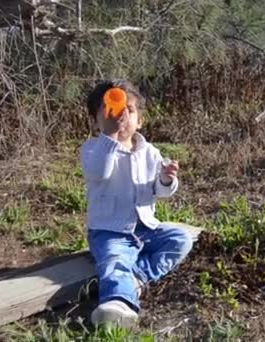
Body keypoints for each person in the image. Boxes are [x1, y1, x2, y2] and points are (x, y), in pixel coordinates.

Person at [80, 80, 194, 327]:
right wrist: (110, 136)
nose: (120, 115)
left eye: (128, 109)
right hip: (110, 231)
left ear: (140, 120)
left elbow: (159, 192)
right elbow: (99, 172)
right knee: (114, 261)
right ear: (94, 121)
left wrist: (165, 179)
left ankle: (137, 278)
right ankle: (117, 305)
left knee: (180, 239)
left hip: (146, 228)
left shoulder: (150, 151)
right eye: (109, 109)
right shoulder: (92, 149)